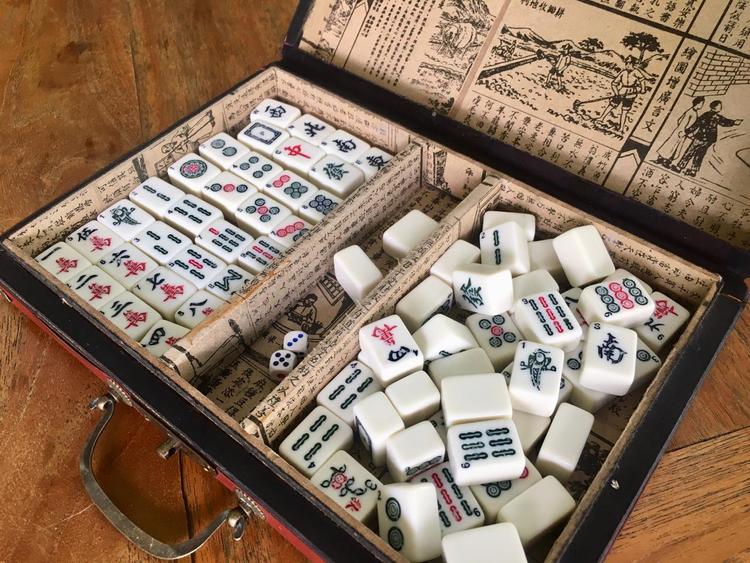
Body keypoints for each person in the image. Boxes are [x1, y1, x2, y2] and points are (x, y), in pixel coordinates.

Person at [675, 100, 742, 176]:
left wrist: (734, 122)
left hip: (704, 138)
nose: (720, 108)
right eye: (719, 106)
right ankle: (688, 169)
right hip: (702, 138)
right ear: (714, 107)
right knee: (695, 153)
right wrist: (734, 122)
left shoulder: (715, 116)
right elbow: (697, 124)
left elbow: (724, 122)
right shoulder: (712, 116)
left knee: (695, 153)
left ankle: (683, 168)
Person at [594, 56, 645, 131]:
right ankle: (601, 118)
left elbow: (642, 80)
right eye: (626, 63)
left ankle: (621, 128)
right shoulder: (623, 72)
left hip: (631, 94)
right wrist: (616, 93)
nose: (627, 65)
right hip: (621, 92)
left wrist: (643, 89)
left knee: (625, 110)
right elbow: (614, 83)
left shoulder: (636, 72)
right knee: (612, 105)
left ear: (633, 64)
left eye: (629, 63)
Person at [655, 96, 705, 167]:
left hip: (684, 133)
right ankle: (662, 159)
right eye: (701, 103)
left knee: (676, 148)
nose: (702, 105)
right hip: (680, 132)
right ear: (698, 103)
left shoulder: (695, 113)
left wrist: (688, 133)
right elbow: (682, 121)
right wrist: (682, 130)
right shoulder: (690, 112)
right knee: (671, 145)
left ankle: (667, 160)